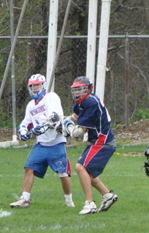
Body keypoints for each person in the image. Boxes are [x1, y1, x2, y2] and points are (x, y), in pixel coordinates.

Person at [10, 74, 74, 208]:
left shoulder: (51, 97)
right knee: (29, 168)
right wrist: (22, 132)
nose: (34, 88)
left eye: (37, 85)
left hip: (56, 142)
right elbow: (25, 123)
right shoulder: (30, 105)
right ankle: (25, 199)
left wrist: (41, 128)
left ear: (43, 85)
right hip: (41, 144)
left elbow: (54, 118)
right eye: (32, 86)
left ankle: (69, 200)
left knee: (62, 173)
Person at [62, 76, 118, 215]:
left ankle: (90, 203)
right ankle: (107, 195)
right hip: (99, 141)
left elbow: (78, 133)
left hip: (102, 142)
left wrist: (66, 126)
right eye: (76, 90)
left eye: (81, 89)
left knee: (80, 167)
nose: (78, 93)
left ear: (88, 89)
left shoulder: (91, 103)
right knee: (87, 172)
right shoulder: (84, 102)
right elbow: (75, 116)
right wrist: (61, 120)